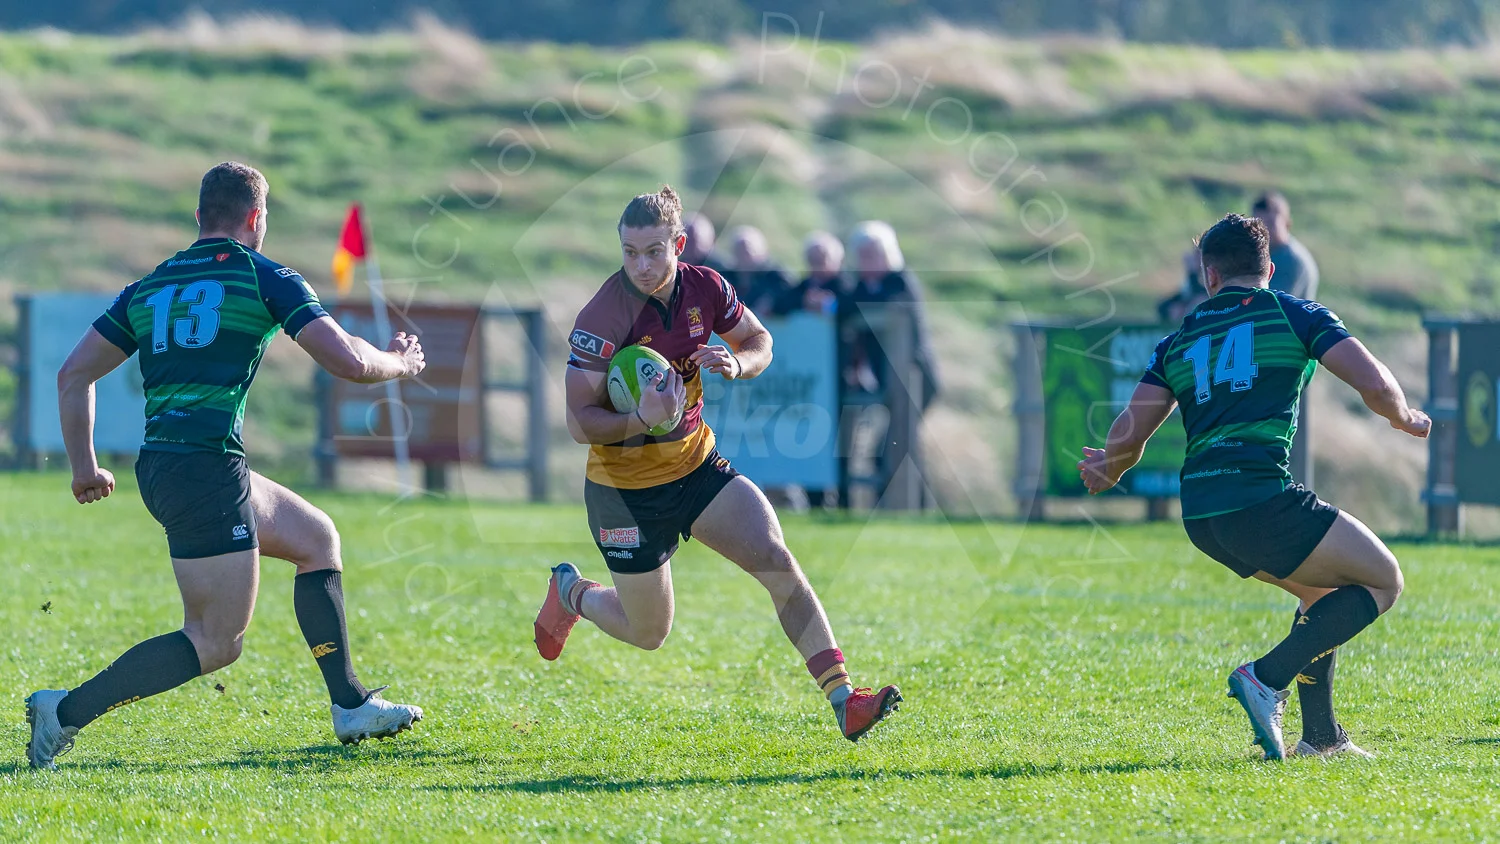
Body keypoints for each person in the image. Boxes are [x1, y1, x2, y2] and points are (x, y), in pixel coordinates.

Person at [26, 162, 428, 770]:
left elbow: (72, 374)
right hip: (203, 473)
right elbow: (346, 360)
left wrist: (84, 467)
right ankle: (64, 711)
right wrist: (399, 362)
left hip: (174, 464)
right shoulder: (265, 277)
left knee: (316, 538)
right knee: (215, 642)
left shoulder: (152, 284)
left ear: (198, 218)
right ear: (256, 218)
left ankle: (349, 706)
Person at [533, 185, 901, 742]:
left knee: (778, 560)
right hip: (624, 492)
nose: (640, 264)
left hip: (696, 466)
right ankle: (573, 594)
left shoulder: (706, 286)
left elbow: (759, 340)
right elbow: (578, 421)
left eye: (653, 251)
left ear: (679, 244)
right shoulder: (603, 314)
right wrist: (642, 420)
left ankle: (844, 699)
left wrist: (737, 362)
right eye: (630, 252)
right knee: (649, 631)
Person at [1078, 213, 1428, 760]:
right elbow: (1374, 380)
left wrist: (1113, 467)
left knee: (1323, 595)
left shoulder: (1179, 339)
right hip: (1260, 498)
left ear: (1209, 276)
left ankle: (1321, 738)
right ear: (1269, 267)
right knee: (1384, 581)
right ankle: (1266, 677)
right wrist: (1402, 415)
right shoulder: (1294, 314)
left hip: (1201, 514)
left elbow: (1128, 431)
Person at [1252, 190, 1321, 488]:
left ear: (1287, 222)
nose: (1266, 230)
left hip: (1290, 360)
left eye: (1272, 222)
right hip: (1269, 360)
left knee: (1289, 437)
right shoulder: (1266, 258)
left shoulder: (1292, 261)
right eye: (1260, 224)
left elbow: (1265, 306)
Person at [1251, 191, 1319, 300]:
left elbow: (1270, 303)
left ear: (1287, 224)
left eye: (1270, 224)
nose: (1263, 231)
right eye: (1258, 225)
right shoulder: (1261, 253)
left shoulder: (1292, 260)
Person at [724, 225, 796, 317]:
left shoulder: (777, 277)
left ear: (762, 252)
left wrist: (773, 304)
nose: (743, 257)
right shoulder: (726, 279)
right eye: (738, 251)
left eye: (747, 251)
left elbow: (792, 297)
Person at [788, 230, 847, 316]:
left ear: (836, 260)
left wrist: (828, 304)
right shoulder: (803, 287)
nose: (817, 266)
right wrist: (804, 302)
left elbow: (849, 306)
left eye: (820, 261)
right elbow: (782, 304)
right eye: (812, 260)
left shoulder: (845, 286)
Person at [681, 213, 730, 277]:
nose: (690, 245)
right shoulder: (677, 266)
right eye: (687, 240)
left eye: (694, 240)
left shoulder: (720, 268)